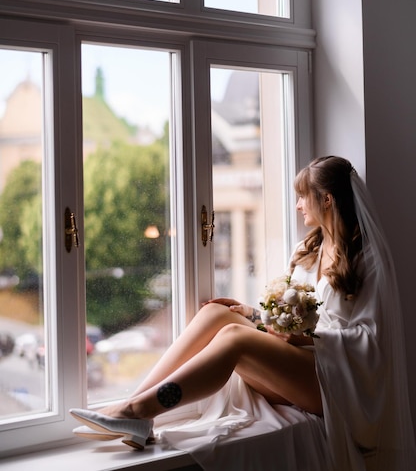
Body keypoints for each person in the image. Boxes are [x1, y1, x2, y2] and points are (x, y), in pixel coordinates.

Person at [70, 156, 416, 470]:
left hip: (334, 381)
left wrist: (305, 335)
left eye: (303, 196)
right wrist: (256, 314)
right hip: (297, 361)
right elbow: (290, 313)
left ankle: (139, 412)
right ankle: (134, 405)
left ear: (327, 199)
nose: (297, 206)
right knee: (216, 315)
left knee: (233, 338)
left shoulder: (366, 258)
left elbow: (371, 341)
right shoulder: (308, 250)